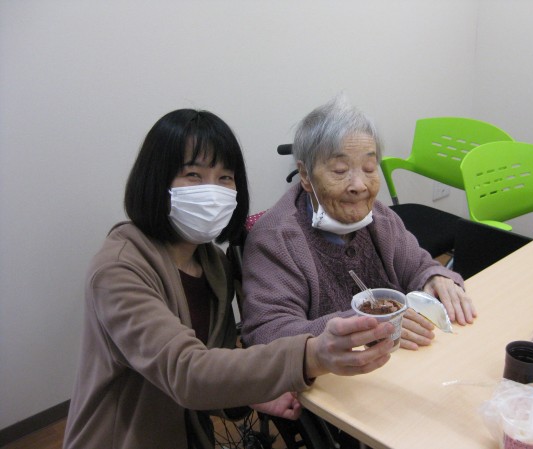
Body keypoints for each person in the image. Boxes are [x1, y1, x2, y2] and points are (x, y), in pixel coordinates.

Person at [63, 109, 396, 449]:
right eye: (193, 175)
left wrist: (250, 395)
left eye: (225, 177)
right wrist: (312, 354)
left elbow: (213, 362)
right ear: (155, 181)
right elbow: (185, 373)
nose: (212, 192)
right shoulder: (119, 269)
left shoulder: (213, 265)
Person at [241, 95, 477, 351]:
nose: (359, 185)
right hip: (329, 373)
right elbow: (267, 332)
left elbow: (418, 265)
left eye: (369, 168)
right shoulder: (275, 239)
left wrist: (434, 278)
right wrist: (367, 325)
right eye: (340, 171)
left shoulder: (380, 218)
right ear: (306, 176)